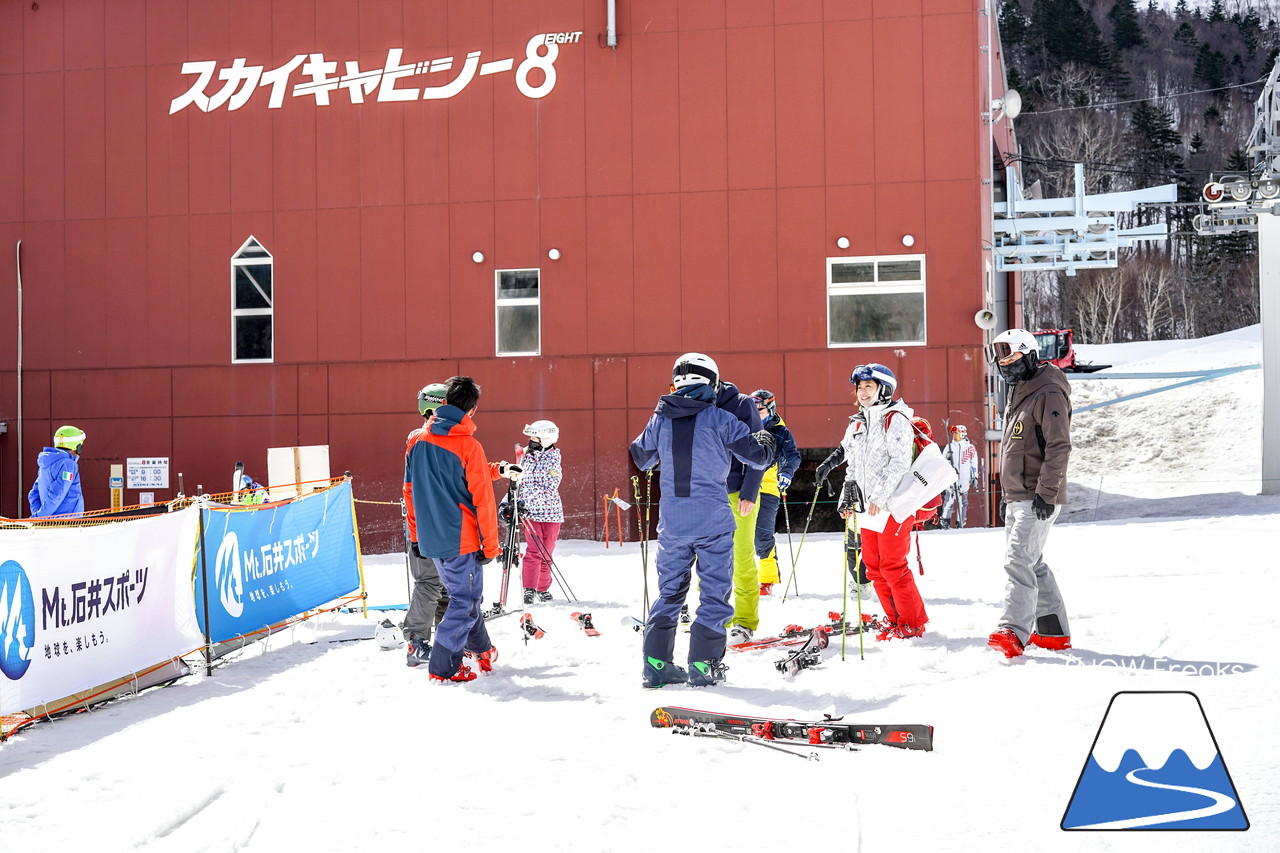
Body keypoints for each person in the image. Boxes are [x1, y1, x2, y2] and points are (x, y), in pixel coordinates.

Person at [630, 353, 775, 688]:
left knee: (669, 593)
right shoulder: (719, 418)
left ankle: (655, 665)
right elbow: (758, 456)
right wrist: (765, 439)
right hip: (712, 521)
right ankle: (704, 665)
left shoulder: (660, 419)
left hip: (673, 523)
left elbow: (641, 456)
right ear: (711, 383)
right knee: (713, 593)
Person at [404, 376, 521, 683]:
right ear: (472, 410)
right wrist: (491, 546)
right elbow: (483, 500)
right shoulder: (469, 445)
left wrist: (416, 536)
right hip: (461, 540)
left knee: (466, 597)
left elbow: (409, 491)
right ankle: (444, 668)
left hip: (431, 539)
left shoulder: (417, 441)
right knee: (464, 602)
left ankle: (482, 650)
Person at [816, 364, 929, 640]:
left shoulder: (895, 418)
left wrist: (879, 496)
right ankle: (894, 620)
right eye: (859, 387)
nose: (862, 392)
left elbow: (900, 461)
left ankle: (912, 623)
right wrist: (847, 498)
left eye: (869, 386)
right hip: (868, 509)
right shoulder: (857, 422)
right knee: (874, 567)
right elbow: (853, 466)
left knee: (893, 565)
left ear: (884, 389)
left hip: (892, 506)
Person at [984, 329, 1073, 658]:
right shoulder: (1021, 391)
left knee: (1017, 561)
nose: (1005, 365)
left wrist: (1046, 493)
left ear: (1030, 355)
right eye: (1001, 360)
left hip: (1037, 496)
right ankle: (1053, 633)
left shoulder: (1047, 391)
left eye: (1011, 358)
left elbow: (1059, 445)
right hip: (1017, 494)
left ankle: (1013, 630)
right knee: (1032, 562)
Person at [713, 368, 767, 645]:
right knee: (708, 560)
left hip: (738, 494)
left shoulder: (742, 403)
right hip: (707, 495)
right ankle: (713, 617)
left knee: (742, 557)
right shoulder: (693, 403)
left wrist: (749, 492)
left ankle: (744, 621)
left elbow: (759, 451)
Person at [400, 382, 451, 667]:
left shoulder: (433, 437)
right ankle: (415, 641)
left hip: (441, 525)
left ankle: (448, 639)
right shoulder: (421, 439)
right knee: (430, 582)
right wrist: (417, 533)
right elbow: (412, 490)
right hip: (425, 525)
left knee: (446, 586)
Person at [748, 390, 800, 596]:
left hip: (768, 488)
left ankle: (767, 579)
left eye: (759, 410)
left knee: (762, 534)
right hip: (743, 487)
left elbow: (792, 456)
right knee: (737, 534)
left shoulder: (781, 432)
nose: (755, 413)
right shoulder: (744, 427)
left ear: (770, 409)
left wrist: (786, 473)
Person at [517, 419, 563, 604]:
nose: (531, 441)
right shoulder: (526, 456)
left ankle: (542, 588)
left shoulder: (554, 457)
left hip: (551, 513)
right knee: (534, 550)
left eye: (535, 437)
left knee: (547, 552)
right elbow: (519, 481)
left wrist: (529, 493)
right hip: (530, 514)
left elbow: (549, 486)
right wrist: (517, 502)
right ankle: (529, 588)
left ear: (546, 438)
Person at [28, 425, 86, 518]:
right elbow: (58, 494)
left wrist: (38, 516)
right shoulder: (68, 465)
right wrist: (40, 517)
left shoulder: (46, 464)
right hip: (67, 523)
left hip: (50, 522)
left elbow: (34, 493)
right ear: (77, 446)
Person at [940, 424, 980, 529]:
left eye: (957, 434)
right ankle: (945, 521)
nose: (954, 436)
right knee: (949, 500)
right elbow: (943, 462)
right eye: (954, 434)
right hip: (951, 479)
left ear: (962, 435)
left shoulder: (970, 448)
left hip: (964, 479)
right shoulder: (949, 447)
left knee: (962, 502)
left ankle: (960, 522)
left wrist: (975, 476)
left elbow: (974, 463)